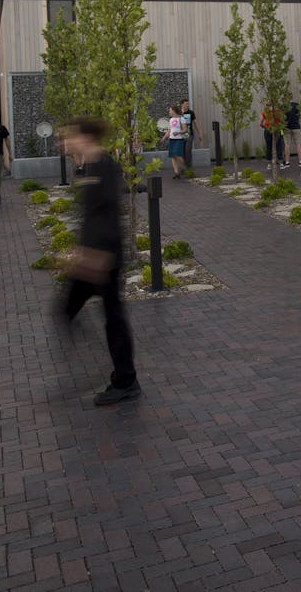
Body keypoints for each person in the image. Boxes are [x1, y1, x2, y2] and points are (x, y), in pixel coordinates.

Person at [60, 116, 140, 406]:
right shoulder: (87, 168)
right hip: (92, 255)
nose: (65, 141)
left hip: (104, 257)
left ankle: (125, 380)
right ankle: (111, 371)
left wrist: (94, 255)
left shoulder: (104, 166)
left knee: (113, 318)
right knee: (68, 310)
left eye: (70, 136)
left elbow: (107, 216)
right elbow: (90, 216)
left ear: (86, 138)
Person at [159, 105, 187, 179]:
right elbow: (169, 131)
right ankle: (176, 173)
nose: (169, 111)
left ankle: (184, 168)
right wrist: (163, 138)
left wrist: (178, 132)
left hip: (179, 139)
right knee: (173, 156)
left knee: (178, 155)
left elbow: (185, 130)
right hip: (172, 139)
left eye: (170, 110)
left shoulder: (181, 119)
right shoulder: (171, 120)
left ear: (174, 110)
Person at [283, 102, 301, 168]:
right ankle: (300, 162)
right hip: (296, 127)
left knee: (287, 145)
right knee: (298, 144)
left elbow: (283, 117)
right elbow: (300, 115)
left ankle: (287, 162)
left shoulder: (284, 106)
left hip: (287, 127)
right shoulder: (297, 105)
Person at [179, 98, 197, 168]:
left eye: (187, 104)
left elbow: (195, 123)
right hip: (181, 135)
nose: (187, 105)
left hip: (190, 134)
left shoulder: (191, 112)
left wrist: (199, 133)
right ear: (182, 104)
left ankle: (189, 168)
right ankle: (184, 168)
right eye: (186, 104)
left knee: (188, 151)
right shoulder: (179, 113)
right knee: (182, 152)